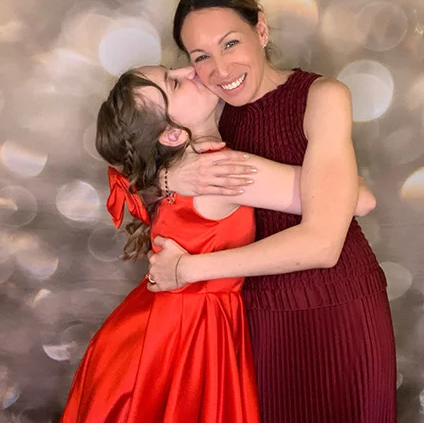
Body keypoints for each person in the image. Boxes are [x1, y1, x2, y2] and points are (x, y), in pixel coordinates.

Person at [59, 64, 375, 423]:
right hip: (188, 334)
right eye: (175, 82)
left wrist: (164, 176)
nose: (190, 69)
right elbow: (362, 200)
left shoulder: (181, 169)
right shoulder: (222, 171)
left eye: (172, 68)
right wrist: (334, 165)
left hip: (152, 329)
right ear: (172, 135)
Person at [147, 0, 397, 423]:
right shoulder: (206, 112)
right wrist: (170, 175)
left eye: (230, 43)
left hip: (338, 308)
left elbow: (323, 244)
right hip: (254, 317)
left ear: (260, 29)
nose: (221, 69)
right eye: (201, 56)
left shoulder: (322, 97)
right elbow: (127, 163)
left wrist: (186, 270)